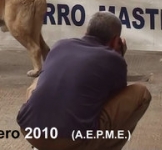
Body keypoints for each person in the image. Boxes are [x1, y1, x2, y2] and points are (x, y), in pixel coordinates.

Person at [17, 11, 151, 150]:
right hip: (71, 140)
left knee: (39, 80)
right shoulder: (113, 60)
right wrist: (118, 56)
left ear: (87, 31)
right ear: (116, 40)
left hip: (29, 130)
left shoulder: (60, 45)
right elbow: (113, 98)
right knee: (141, 93)